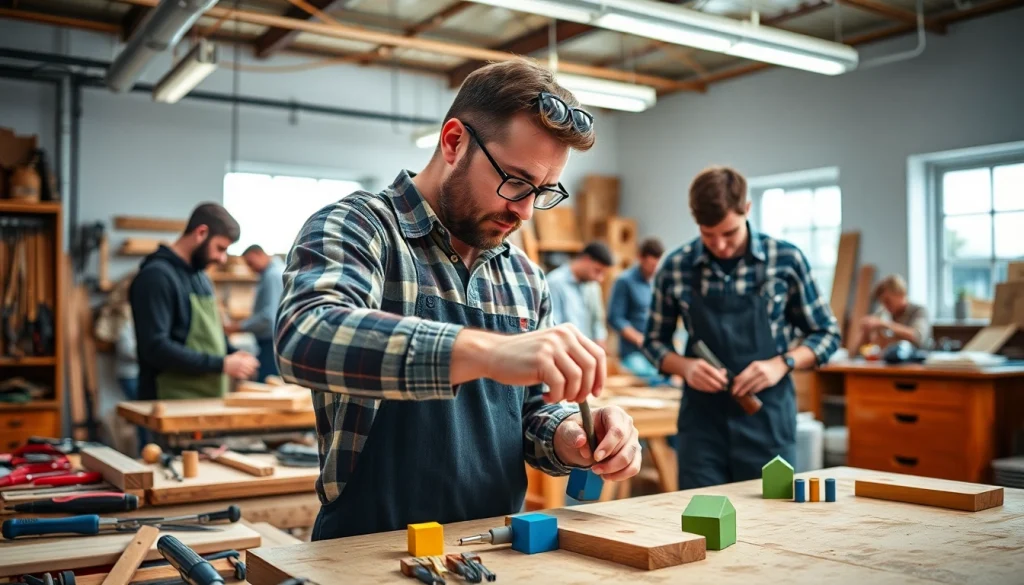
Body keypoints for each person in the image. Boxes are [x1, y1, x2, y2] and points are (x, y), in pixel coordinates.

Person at [275, 59, 642, 540]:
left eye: (544, 192)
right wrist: (486, 351)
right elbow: (305, 335)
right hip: (366, 547)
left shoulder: (524, 278)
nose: (526, 211)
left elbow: (529, 412)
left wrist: (570, 435)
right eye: (515, 181)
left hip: (493, 548)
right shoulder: (361, 228)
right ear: (453, 142)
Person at [643, 166, 841, 489]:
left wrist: (783, 363)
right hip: (702, 427)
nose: (719, 245)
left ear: (747, 209)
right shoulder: (676, 267)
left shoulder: (786, 261)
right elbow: (653, 342)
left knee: (771, 525)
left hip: (768, 423)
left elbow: (827, 334)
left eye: (729, 233)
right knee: (701, 524)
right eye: (708, 235)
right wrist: (685, 367)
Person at [130, 203, 259, 400]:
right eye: (220, 248)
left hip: (204, 398)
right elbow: (155, 348)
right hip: (166, 401)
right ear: (201, 232)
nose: (223, 259)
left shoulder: (201, 278)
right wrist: (222, 364)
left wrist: (234, 355)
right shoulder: (156, 276)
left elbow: (212, 335)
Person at [607, 238, 666, 383]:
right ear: (640, 258)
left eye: (657, 265)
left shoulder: (656, 281)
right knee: (653, 380)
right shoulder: (624, 281)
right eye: (652, 265)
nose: (655, 269)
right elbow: (615, 318)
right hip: (633, 352)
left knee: (671, 380)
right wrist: (639, 339)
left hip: (654, 350)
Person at [225, 244, 285, 381]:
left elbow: (268, 318)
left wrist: (238, 327)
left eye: (250, 263)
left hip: (271, 344)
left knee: (266, 383)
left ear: (258, 254)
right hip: (271, 342)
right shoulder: (271, 274)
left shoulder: (272, 275)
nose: (251, 268)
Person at [546, 242, 613, 349]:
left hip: (588, 351)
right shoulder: (555, 283)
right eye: (597, 271)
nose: (599, 278)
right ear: (586, 260)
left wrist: (600, 340)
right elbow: (553, 327)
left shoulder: (593, 286)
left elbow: (597, 320)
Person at [860, 274, 931, 348]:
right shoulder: (884, 312)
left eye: (887, 301)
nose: (885, 306)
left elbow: (917, 336)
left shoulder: (920, 311)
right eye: (882, 303)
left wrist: (884, 324)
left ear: (901, 294)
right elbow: (859, 350)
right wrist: (865, 332)